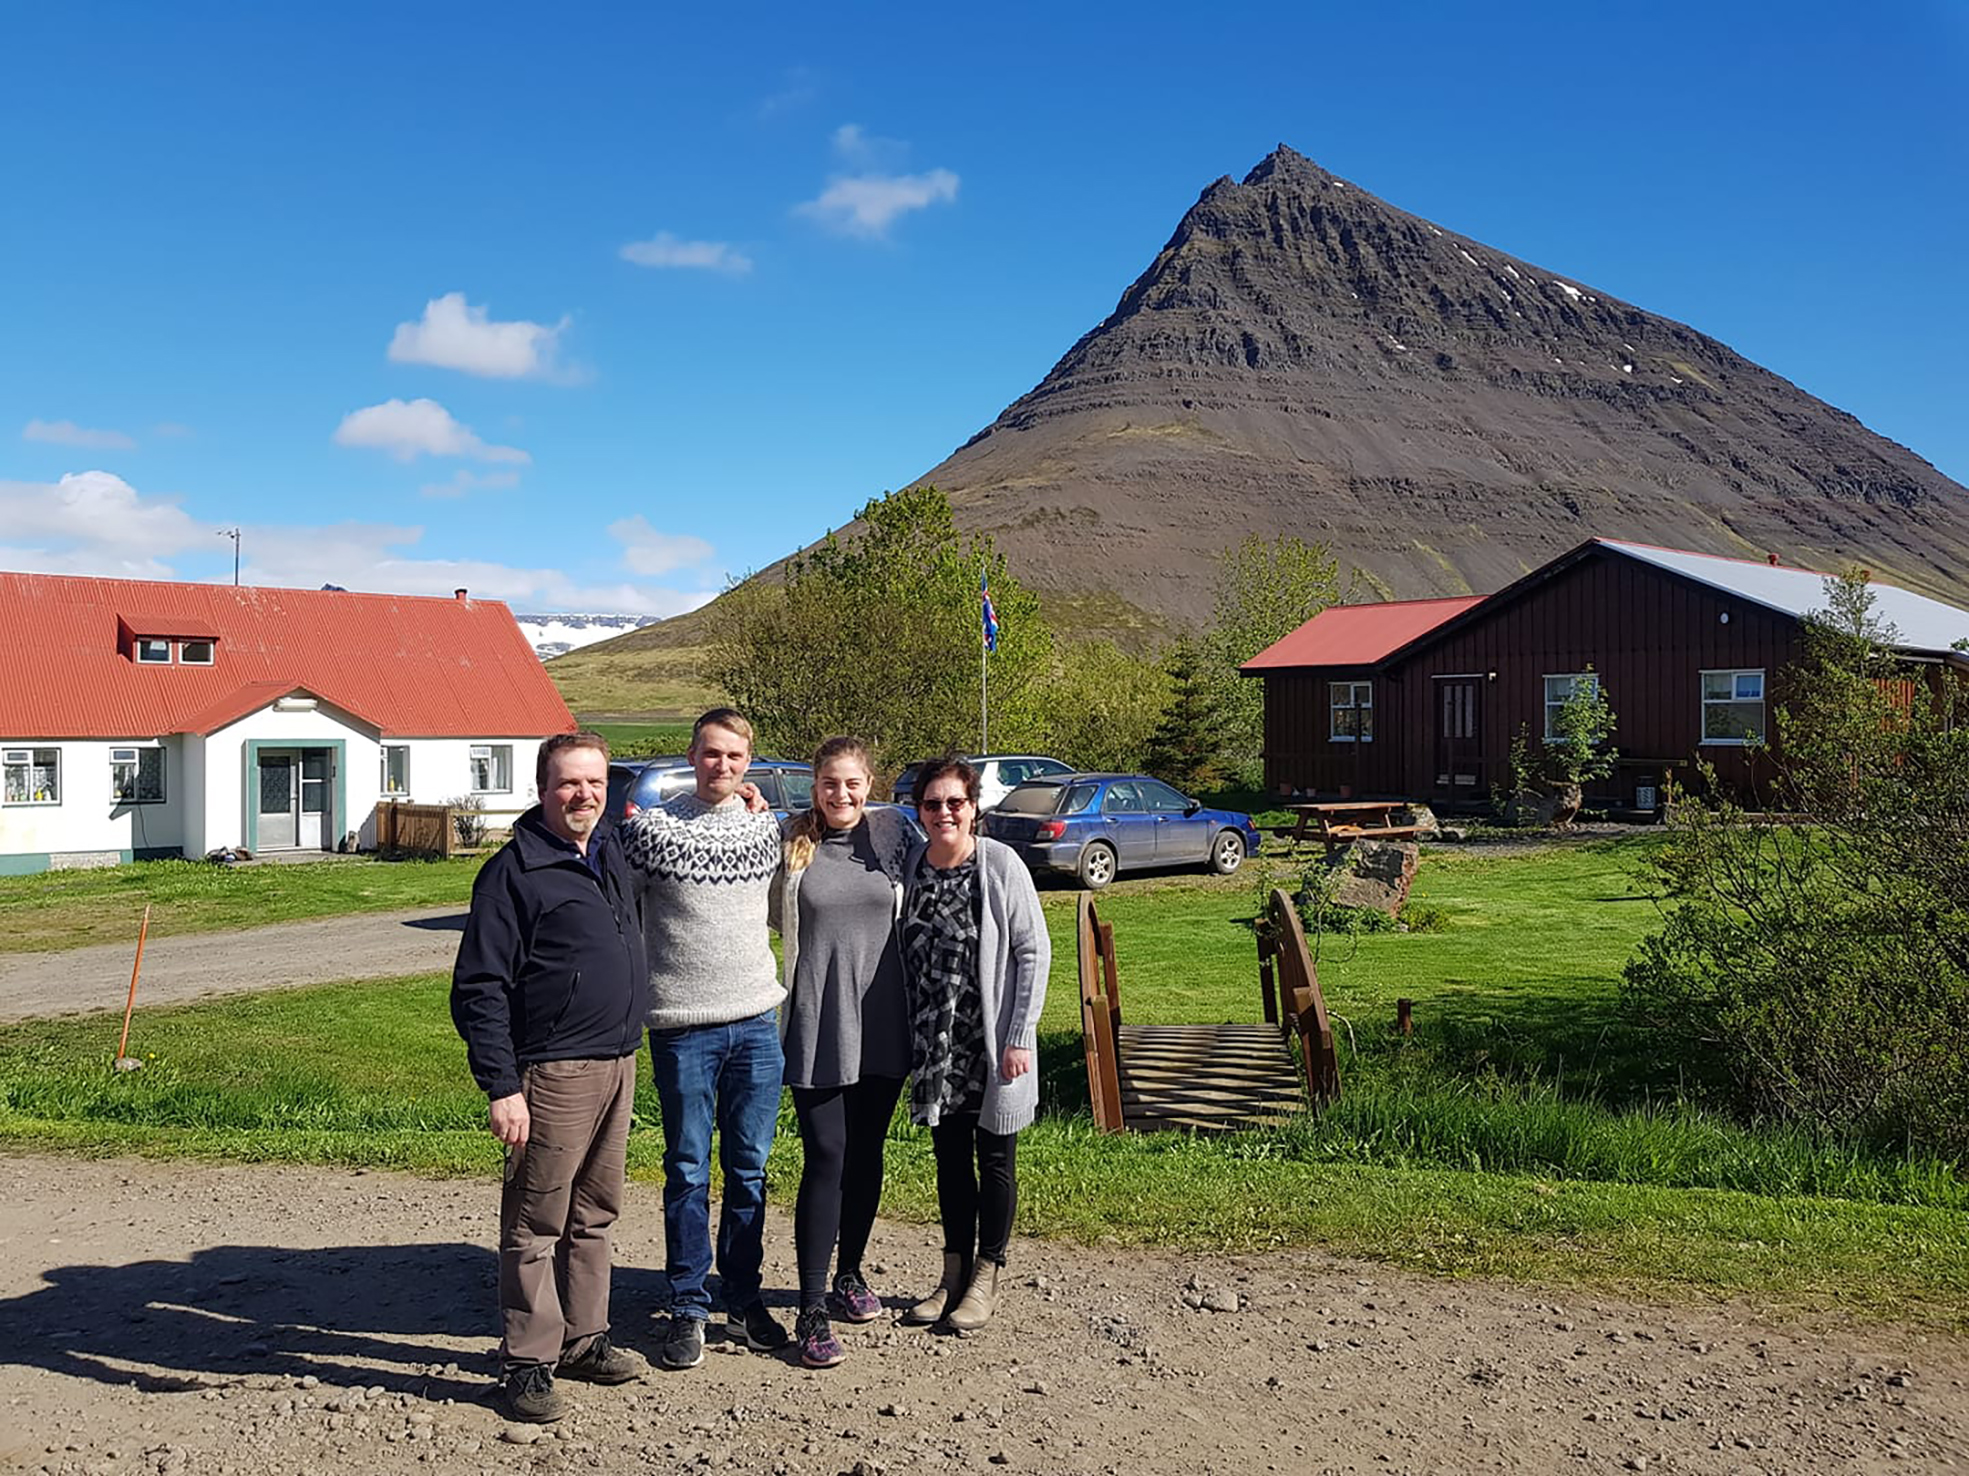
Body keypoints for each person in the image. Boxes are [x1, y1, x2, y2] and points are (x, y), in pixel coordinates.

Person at [450, 731, 650, 1423]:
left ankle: (583, 1339)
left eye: (593, 783)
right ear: (542, 790)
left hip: (618, 1060)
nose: (582, 795)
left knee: (594, 1214)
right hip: (552, 1070)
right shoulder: (513, 874)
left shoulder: (608, 851)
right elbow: (479, 987)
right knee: (536, 1223)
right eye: (569, 783)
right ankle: (528, 1361)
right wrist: (502, 1086)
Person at [618, 707, 789, 1370]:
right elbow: (622, 916)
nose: (722, 766)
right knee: (687, 1169)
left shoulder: (763, 828)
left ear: (750, 764)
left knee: (749, 1170)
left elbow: (790, 900)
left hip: (755, 1024)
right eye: (712, 753)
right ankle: (687, 1305)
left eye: (735, 757)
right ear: (692, 755)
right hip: (681, 1025)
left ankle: (742, 1299)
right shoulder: (653, 833)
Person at [769, 736, 914, 1368]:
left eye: (852, 783)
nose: (842, 795)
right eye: (830, 784)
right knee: (826, 1156)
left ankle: (849, 1274)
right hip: (817, 1021)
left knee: (866, 1154)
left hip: (884, 1019)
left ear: (869, 783)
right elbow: (763, 916)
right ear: (815, 787)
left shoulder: (894, 838)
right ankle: (810, 1308)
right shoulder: (790, 846)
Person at [899, 755, 1050, 1331]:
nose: (944, 813)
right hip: (936, 1042)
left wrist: (1018, 1034)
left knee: (995, 1159)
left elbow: (1033, 952)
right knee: (949, 1163)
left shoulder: (999, 865)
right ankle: (952, 1273)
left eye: (954, 803)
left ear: (974, 808)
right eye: (933, 804)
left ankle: (987, 1275)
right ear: (919, 811)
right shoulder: (912, 865)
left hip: (990, 1042)